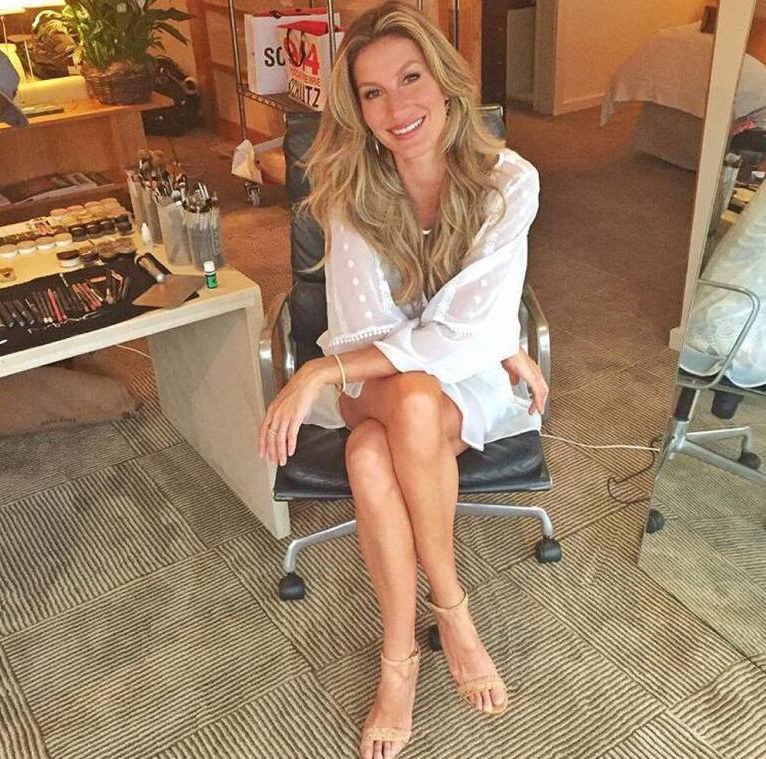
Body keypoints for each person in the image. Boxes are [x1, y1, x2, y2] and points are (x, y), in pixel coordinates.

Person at [258, 4, 548, 757]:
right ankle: (453, 612)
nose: (396, 107)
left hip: (452, 379)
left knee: (368, 456)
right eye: (373, 92)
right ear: (357, 109)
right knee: (411, 397)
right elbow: (362, 328)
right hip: (373, 376)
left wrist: (320, 369)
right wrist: (339, 363)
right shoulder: (349, 186)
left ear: (446, 82)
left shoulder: (508, 182)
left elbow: (466, 332)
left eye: (410, 78)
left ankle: (400, 659)